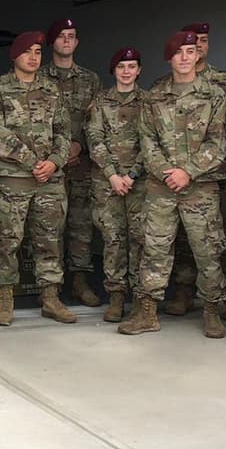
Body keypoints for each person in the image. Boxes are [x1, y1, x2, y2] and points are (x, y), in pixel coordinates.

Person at [119, 31, 226, 338]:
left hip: (200, 187)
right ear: (169, 57)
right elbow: (147, 140)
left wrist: (188, 172)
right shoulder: (154, 94)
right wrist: (167, 171)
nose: (184, 57)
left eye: (190, 51)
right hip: (161, 186)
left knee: (207, 250)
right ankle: (147, 312)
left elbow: (218, 142)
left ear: (198, 55)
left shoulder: (214, 95)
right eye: (179, 52)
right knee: (153, 249)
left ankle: (211, 311)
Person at [0, 31, 76, 327]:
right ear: (14, 56)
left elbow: (64, 131)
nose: (33, 57)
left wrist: (55, 162)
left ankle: (50, 297)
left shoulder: (51, 90)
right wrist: (34, 162)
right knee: (9, 240)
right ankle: (5, 298)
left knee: (50, 240)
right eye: (27, 52)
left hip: (49, 179)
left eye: (37, 51)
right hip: (13, 179)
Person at [154, 22, 226, 320]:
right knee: (181, 238)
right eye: (187, 47)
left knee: (219, 239)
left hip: (217, 173)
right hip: (172, 177)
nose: (195, 50)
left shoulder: (224, 82)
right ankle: (183, 290)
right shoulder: (160, 89)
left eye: (201, 43)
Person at [42, 18, 103, 306]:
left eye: (72, 36)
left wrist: (79, 145)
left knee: (81, 224)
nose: (67, 41)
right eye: (62, 36)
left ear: (77, 43)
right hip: (49, 165)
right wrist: (56, 152)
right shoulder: (39, 78)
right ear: (52, 42)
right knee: (49, 226)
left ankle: (80, 281)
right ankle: (50, 287)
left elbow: (97, 121)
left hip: (80, 163)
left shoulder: (90, 80)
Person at [85, 48, 146, 323]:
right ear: (114, 70)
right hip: (107, 183)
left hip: (139, 183)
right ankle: (116, 297)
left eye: (132, 66)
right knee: (113, 240)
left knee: (140, 240)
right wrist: (112, 175)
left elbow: (152, 141)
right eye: (121, 66)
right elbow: (94, 139)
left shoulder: (148, 102)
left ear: (139, 70)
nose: (126, 71)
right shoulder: (101, 101)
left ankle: (139, 298)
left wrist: (131, 174)